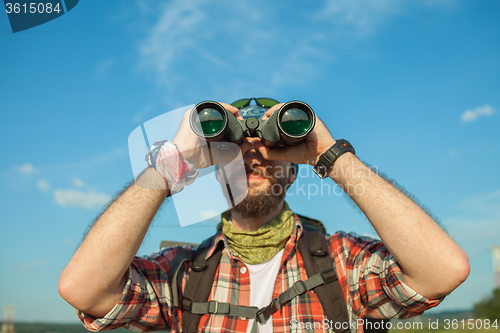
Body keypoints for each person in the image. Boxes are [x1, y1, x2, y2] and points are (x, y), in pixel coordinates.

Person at [59, 99, 470, 333]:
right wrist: (171, 163)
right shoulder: (181, 272)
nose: (253, 154)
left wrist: (332, 156)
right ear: (215, 170)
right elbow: (84, 290)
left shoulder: (341, 262)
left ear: (294, 168)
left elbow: (442, 271)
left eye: (271, 147)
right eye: (234, 148)